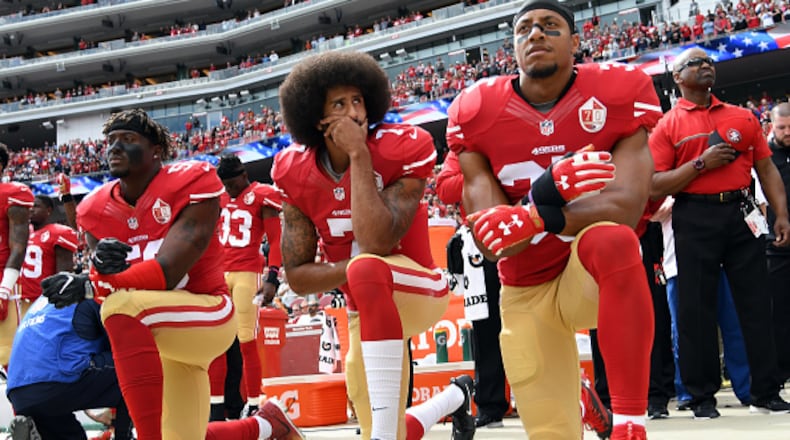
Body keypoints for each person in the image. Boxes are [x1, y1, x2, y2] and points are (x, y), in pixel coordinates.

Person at [447, 0, 664, 437]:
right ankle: (579, 398)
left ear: (577, 42)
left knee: (614, 239)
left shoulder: (617, 92)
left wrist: (537, 214)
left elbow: (625, 208)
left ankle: (628, 423)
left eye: (550, 26)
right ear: (512, 46)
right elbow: (495, 241)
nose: (536, 34)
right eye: (524, 28)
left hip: (591, 275)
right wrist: (544, 193)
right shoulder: (477, 109)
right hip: (526, 284)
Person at [39, 109, 302, 440]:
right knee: (182, 436)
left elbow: (167, 271)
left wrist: (93, 284)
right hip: (163, 335)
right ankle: (268, 425)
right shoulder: (95, 209)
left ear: (156, 151)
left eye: (128, 139)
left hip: (207, 311)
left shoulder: (190, 181)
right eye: (111, 141)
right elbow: (109, 284)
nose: (114, 147)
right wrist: (100, 271)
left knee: (119, 307)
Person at [272, 51, 475, 440]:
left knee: (366, 265)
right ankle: (454, 398)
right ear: (317, 118)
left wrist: (359, 154)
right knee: (376, 424)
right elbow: (297, 277)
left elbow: (377, 241)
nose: (354, 112)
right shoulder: (292, 170)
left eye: (358, 101)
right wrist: (350, 272)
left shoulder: (402, 146)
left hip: (418, 287)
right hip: (361, 306)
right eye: (339, 104)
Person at [649, 47, 790, 419]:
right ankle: (701, 396)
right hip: (694, 215)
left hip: (741, 213)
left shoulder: (741, 116)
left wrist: (781, 214)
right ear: (677, 77)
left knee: (757, 304)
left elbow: (766, 168)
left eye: (709, 62)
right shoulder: (667, 125)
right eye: (695, 63)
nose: (706, 66)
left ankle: (765, 390)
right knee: (696, 310)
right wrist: (700, 163)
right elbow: (654, 183)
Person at [438, 150, 613, 437]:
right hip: (486, 240)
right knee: (487, 327)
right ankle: (492, 404)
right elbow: (446, 187)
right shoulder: (472, 143)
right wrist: (486, 177)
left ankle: (578, 396)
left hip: (543, 233)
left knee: (557, 324)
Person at [209, 154, 283, 420]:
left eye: (231, 183)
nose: (228, 189)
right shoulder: (218, 197)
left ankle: (253, 402)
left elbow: (276, 240)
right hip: (219, 272)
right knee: (216, 342)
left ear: (243, 175)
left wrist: (272, 277)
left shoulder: (261, 194)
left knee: (247, 341)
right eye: (224, 184)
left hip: (246, 273)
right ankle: (215, 404)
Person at [6, 297, 132, 440]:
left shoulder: (47, 298)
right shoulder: (98, 294)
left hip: (19, 393)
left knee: (71, 435)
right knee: (135, 368)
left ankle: (36, 432)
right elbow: (124, 344)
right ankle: (124, 437)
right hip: (57, 381)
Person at [0, 142, 34, 370]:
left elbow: (18, 246)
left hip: (4, 283)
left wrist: (4, 288)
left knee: (11, 359)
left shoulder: (12, 194)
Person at [764, 102, 790, 382]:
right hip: (776, 246)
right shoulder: (764, 157)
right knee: (779, 313)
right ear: (771, 126)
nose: (787, 132)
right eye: (781, 127)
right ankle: (781, 371)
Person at [19, 195, 79, 317]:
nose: (31, 209)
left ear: (49, 210)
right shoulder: (22, 232)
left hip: (43, 301)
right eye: (29, 206)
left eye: (36, 206)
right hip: (20, 299)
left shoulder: (59, 232)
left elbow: (63, 275)